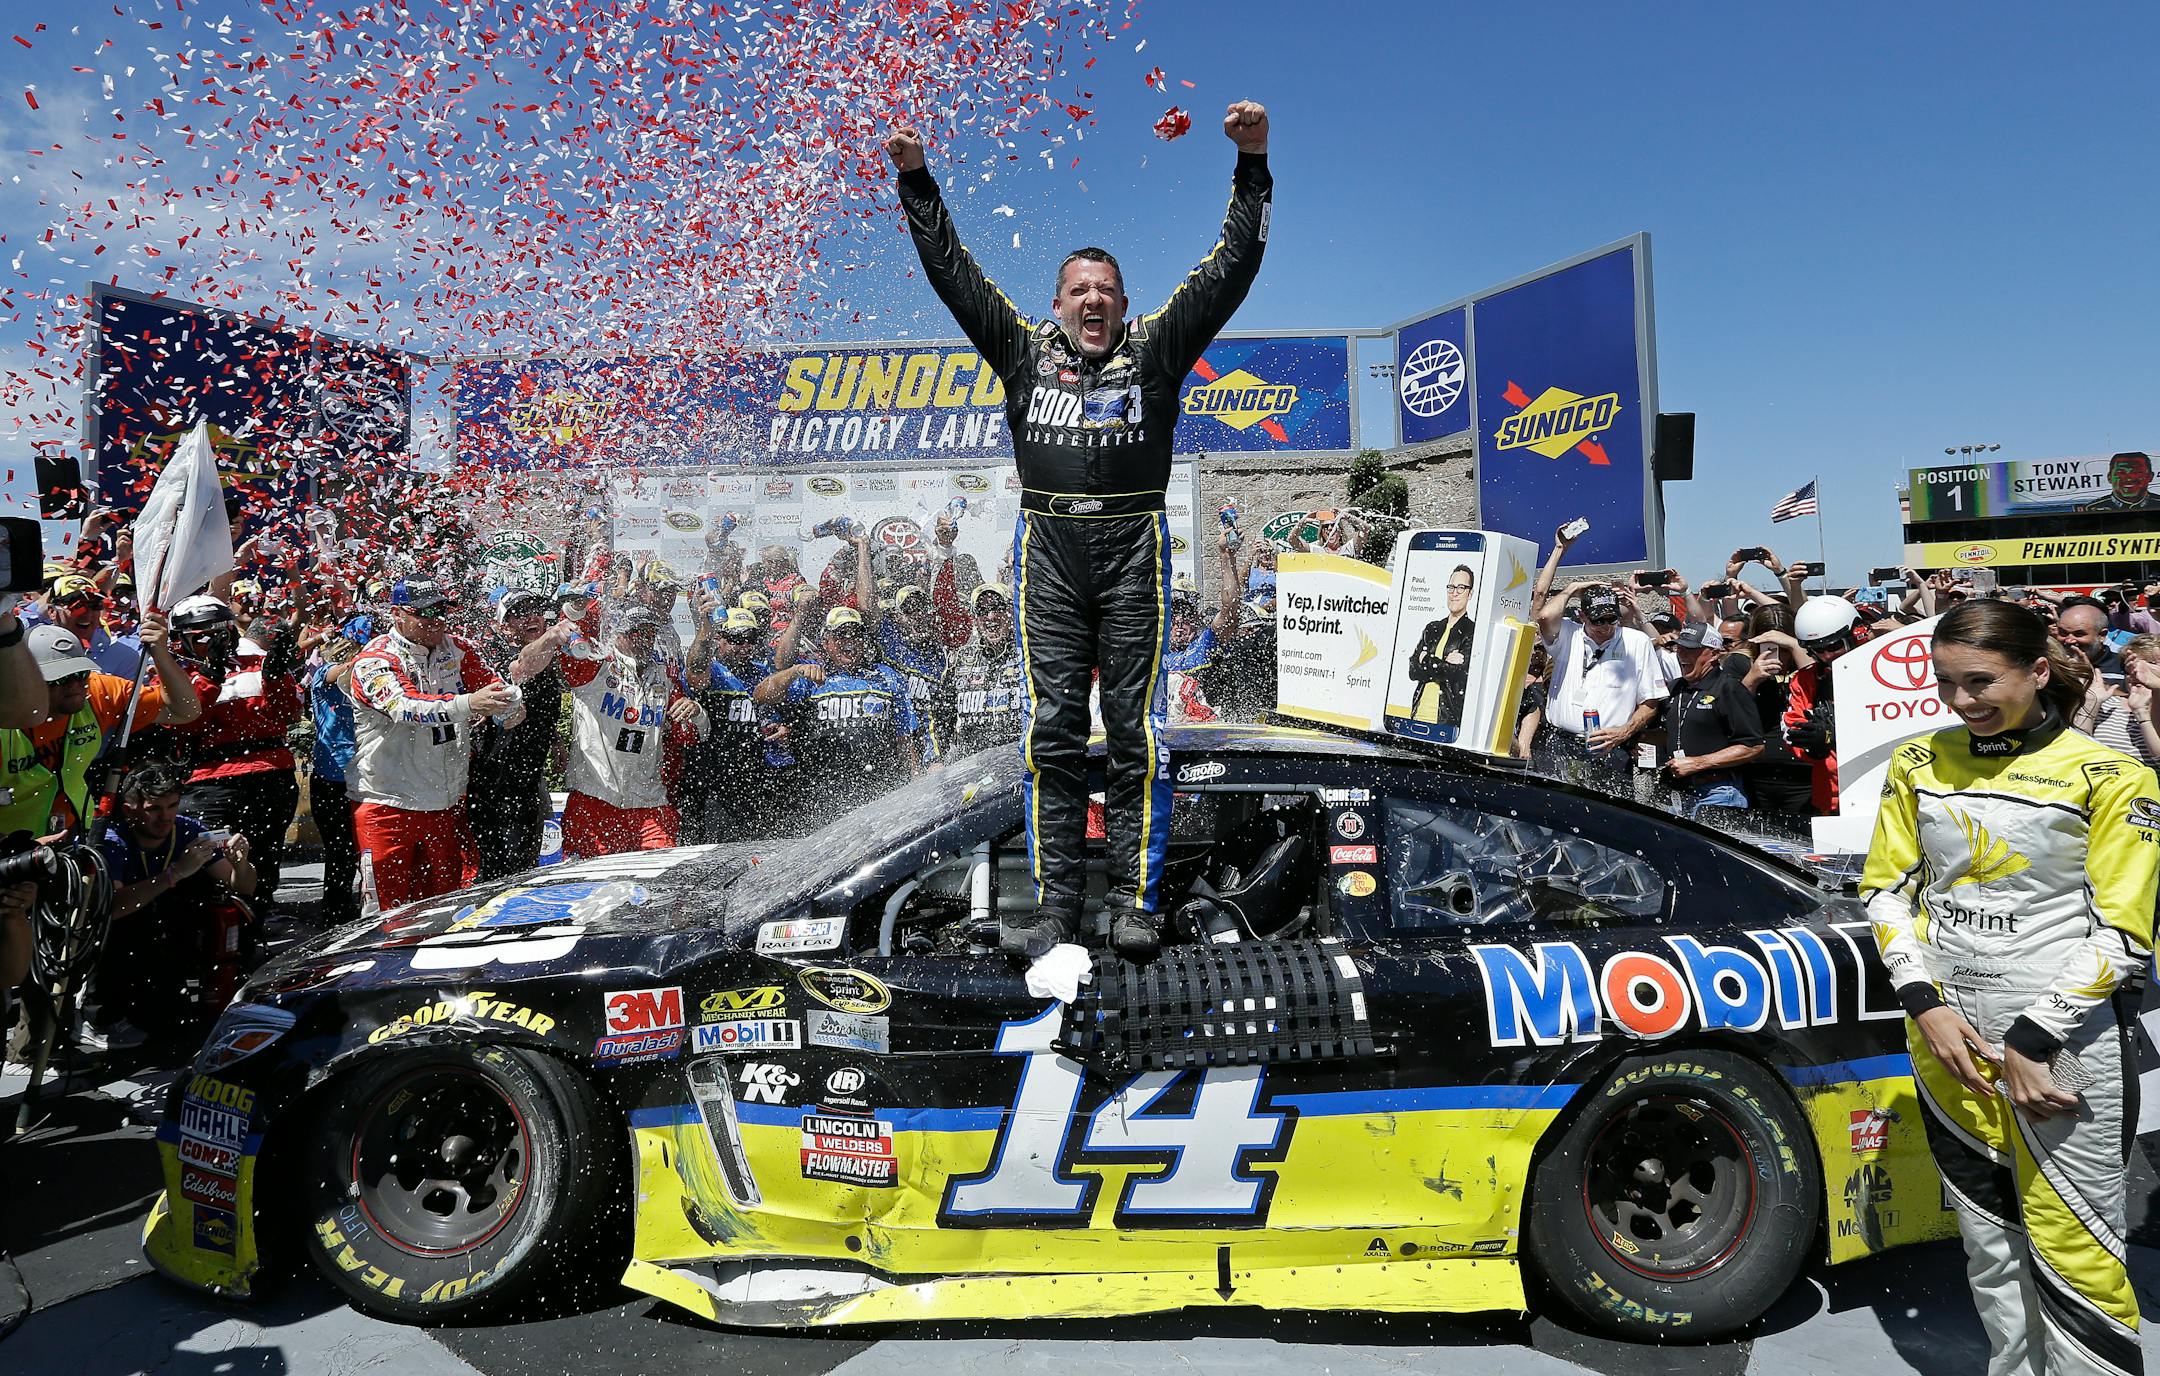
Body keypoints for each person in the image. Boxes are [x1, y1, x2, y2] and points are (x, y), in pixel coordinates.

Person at [887, 99, 1272, 963]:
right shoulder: (1023, 352)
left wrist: (1252, 160)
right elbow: (955, 274)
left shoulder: (1159, 348)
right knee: (1055, 730)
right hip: (1051, 556)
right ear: (1056, 304)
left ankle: (1136, 898)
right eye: (1078, 291)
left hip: (1134, 549)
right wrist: (917, 180)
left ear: (1126, 304)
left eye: (1105, 290)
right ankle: (1060, 905)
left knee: (1135, 729)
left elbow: (1232, 267)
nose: (1092, 301)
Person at [1862, 598, 2154, 1376]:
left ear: (2036, 670)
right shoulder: (1919, 762)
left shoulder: (2110, 774)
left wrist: (2033, 1038)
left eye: (1981, 682)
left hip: (2062, 1043)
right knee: (1988, 1243)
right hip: (1945, 1042)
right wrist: (1924, 1007)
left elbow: (2127, 929)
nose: (1962, 702)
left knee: (2078, 1246)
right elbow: (1886, 891)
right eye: (1946, 684)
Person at [349, 580, 520, 910]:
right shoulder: (375, 659)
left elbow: (499, 690)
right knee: (387, 915)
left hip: (446, 807)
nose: (435, 620)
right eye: (424, 612)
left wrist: (511, 704)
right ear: (397, 615)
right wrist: (470, 704)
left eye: (441, 610)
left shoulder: (458, 649)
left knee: (443, 912)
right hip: (389, 806)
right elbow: (405, 708)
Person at [94, 761, 258, 1039]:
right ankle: (103, 1011)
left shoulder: (186, 830)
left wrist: (241, 864)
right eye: (154, 809)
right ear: (128, 810)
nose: (165, 818)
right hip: (122, 938)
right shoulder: (112, 841)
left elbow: (244, 887)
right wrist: (176, 873)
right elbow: (113, 908)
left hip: (172, 933)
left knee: (220, 907)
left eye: (172, 806)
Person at [0, 614, 196, 840]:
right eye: (59, 679)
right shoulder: (5, 721)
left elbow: (185, 710)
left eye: (80, 674)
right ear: (28, 681)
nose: (74, 686)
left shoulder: (96, 691)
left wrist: (161, 653)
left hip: (76, 831)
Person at [168, 594, 304, 918]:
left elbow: (289, 712)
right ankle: (210, 934)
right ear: (180, 641)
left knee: (263, 861)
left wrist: (277, 675)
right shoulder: (172, 672)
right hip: (209, 782)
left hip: (269, 774)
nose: (213, 641)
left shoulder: (257, 662)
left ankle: (252, 933)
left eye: (219, 632)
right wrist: (208, 679)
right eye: (201, 636)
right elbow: (184, 726)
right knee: (209, 862)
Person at [545, 605, 708, 858]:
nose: (643, 639)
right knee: (596, 889)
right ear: (617, 635)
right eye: (635, 633)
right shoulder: (595, 668)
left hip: (650, 803)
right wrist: (578, 605)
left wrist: (696, 711)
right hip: (596, 800)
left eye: (649, 633)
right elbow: (571, 631)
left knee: (661, 882)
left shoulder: (664, 680)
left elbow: (691, 736)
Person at [755, 606, 922, 820]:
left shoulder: (887, 676)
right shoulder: (812, 676)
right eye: (841, 634)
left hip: (879, 785)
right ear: (826, 642)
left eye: (856, 634)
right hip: (824, 790)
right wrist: (793, 672)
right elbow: (761, 695)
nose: (850, 640)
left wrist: (916, 782)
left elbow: (904, 737)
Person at [468, 589, 566, 879]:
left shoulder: (545, 655)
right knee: (500, 877)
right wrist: (550, 637)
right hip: (496, 791)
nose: (531, 617)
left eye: (535, 609)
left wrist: (555, 739)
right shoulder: (497, 657)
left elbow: (535, 703)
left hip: (526, 784)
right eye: (520, 613)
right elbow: (521, 668)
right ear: (504, 627)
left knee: (524, 872)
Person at [1534, 582, 1669, 792]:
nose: (1606, 627)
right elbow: (1544, 617)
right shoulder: (1568, 633)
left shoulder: (1637, 642)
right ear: (1582, 616)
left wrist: (1624, 732)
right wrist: (1570, 589)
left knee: (1609, 816)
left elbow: (1650, 702)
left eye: (1611, 619)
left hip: (1610, 747)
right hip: (1561, 742)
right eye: (1598, 620)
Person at [685, 607, 779, 843]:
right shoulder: (713, 670)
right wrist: (706, 626)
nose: (744, 647)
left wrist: (781, 726)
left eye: (750, 640)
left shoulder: (761, 672)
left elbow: (773, 713)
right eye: (736, 640)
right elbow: (695, 669)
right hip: (713, 786)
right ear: (720, 640)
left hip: (754, 782)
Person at [1657, 623, 1766, 818]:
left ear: (1714, 654)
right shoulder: (1675, 687)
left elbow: (1753, 746)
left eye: (1690, 649)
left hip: (1718, 791)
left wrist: (1698, 763)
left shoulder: (1729, 688)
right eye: (1679, 647)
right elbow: (1672, 733)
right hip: (1678, 793)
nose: (1681, 653)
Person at [306, 616, 370, 923]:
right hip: (332, 778)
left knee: (367, 854)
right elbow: (336, 672)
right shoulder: (325, 673)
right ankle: (335, 917)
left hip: (370, 776)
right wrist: (372, 658)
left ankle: (366, 910)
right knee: (342, 854)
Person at [1783, 596, 1871, 815]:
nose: (1827, 655)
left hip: (1892, 789)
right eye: (1816, 650)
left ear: (1856, 633)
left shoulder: (1888, 668)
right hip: (1833, 798)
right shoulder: (1805, 680)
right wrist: (1813, 743)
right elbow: (1791, 729)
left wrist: (1835, 734)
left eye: (1834, 645)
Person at [938, 584, 1027, 758]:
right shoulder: (961, 658)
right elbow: (941, 715)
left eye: (997, 608)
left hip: (1018, 759)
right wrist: (939, 758)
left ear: (1010, 611)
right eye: (982, 610)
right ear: (974, 618)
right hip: (971, 763)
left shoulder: (1027, 656)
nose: (991, 616)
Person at [1407, 565, 1477, 730]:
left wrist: (1427, 660)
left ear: (1470, 593)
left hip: (1447, 720)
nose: (1454, 593)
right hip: (1417, 714)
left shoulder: (1472, 631)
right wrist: (1444, 661)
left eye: (1461, 588)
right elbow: (1413, 670)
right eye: (1451, 587)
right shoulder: (1432, 628)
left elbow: (1458, 673)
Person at [2077, 450, 2160, 513]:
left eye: (2137, 472)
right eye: (2121, 473)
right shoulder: (2091, 509)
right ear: (2109, 477)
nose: (2129, 478)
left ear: (2150, 476)